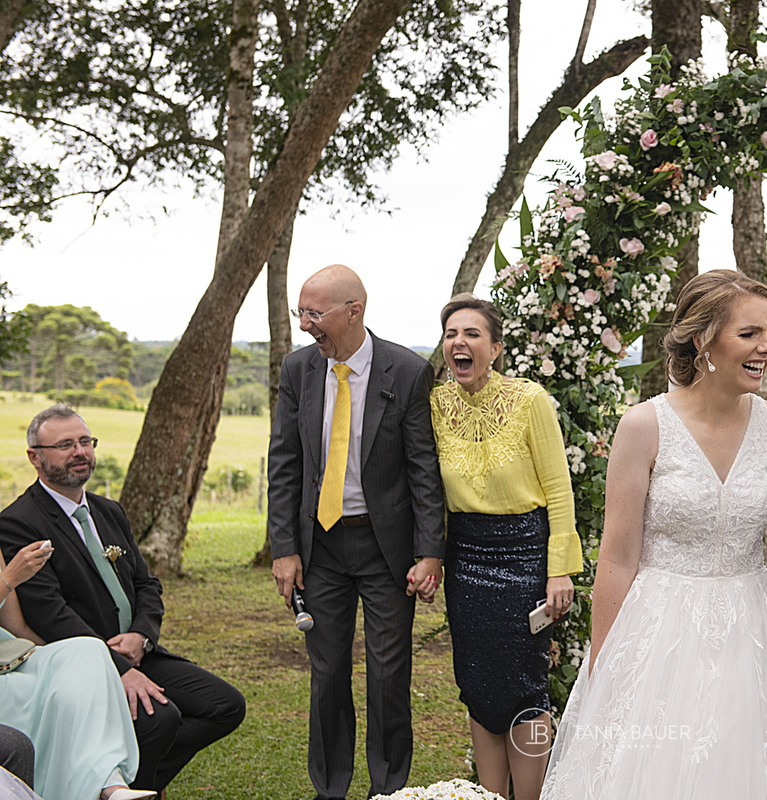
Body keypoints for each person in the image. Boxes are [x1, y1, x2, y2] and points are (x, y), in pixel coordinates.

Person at [541, 270, 767, 800]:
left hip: (755, 631)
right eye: (751, 333)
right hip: (659, 631)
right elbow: (617, 559)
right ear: (703, 338)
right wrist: (605, 665)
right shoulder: (644, 427)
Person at [0, 404, 246, 795]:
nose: (80, 452)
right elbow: (49, 614)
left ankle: (128, 785)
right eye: (65, 444)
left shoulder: (108, 510)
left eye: (85, 441)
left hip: (138, 650)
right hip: (86, 666)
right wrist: (117, 666)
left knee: (225, 705)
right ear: (35, 457)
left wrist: (142, 636)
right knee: (160, 720)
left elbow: (147, 585)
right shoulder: (18, 522)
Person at [268, 264, 445, 800]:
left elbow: (423, 468)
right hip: (320, 546)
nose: (306, 326)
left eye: (315, 314)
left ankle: (388, 789)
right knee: (327, 673)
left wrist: (430, 551)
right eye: (302, 312)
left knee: (389, 674)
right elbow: (284, 463)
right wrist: (284, 549)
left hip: (385, 547)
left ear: (354, 311)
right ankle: (331, 789)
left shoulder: (408, 371)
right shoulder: (298, 369)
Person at [431, 294, 582, 800]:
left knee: (525, 690)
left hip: (524, 556)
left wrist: (558, 570)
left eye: (472, 334)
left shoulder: (529, 400)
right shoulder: (435, 404)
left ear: (495, 347)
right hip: (467, 560)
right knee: (478, 689)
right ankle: (490, 797)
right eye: (452, 334)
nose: (459, 342)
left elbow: (560, 490)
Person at [0, 514, 163, 800]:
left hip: (8, 654)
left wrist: (64, 654)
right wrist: (10, 578)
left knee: (89, 649)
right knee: (36, 686)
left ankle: (110, 783)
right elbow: (8, 582)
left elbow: (16, 627)